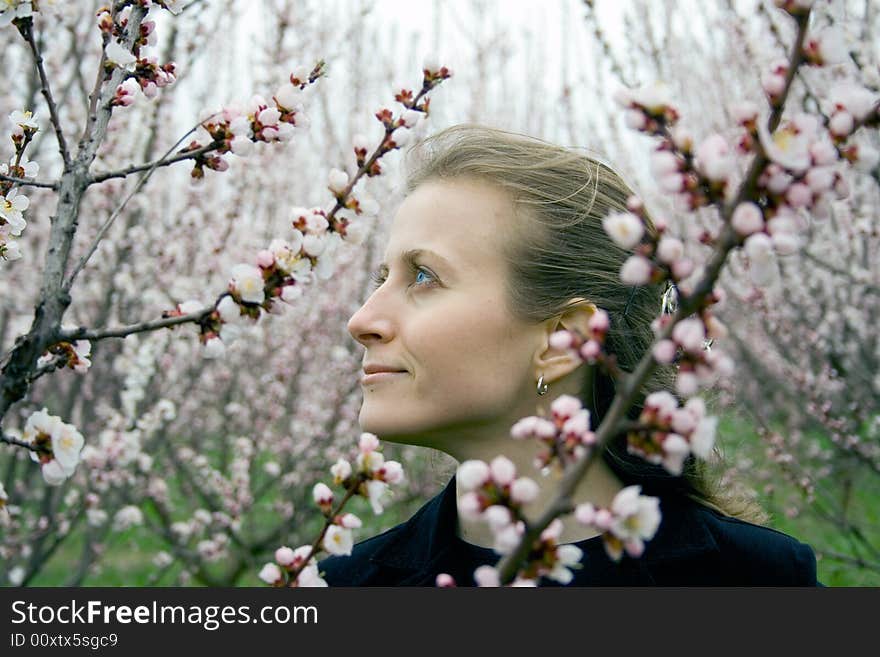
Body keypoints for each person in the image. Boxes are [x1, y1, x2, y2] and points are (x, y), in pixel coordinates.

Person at [319, 124, 820, 586]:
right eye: (381, 279)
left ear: (564, 341)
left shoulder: (758, 582)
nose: (361, 321)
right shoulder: (340, 587)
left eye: (424, 276)